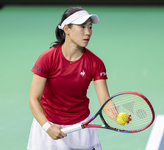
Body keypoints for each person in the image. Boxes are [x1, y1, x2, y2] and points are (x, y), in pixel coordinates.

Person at [27, 7, 130, 150]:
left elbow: (105, 100)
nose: (88, 32)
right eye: (82, 27)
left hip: (81, 129)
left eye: (90, 27)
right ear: (66, 29)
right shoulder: (47, 58)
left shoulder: (95, 63)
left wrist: (116, 116)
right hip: (48, 127)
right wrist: (47, 126)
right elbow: (33, 99)